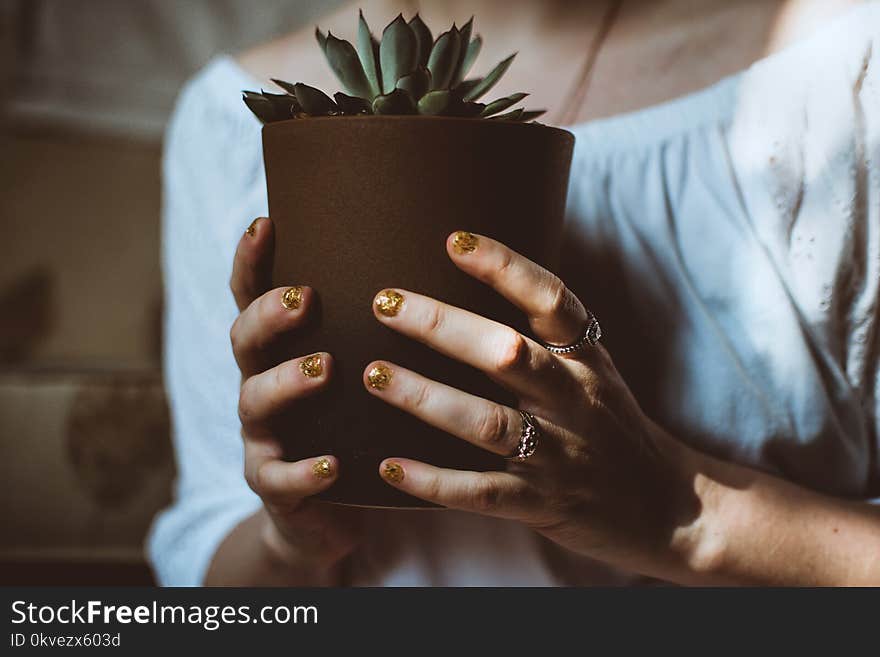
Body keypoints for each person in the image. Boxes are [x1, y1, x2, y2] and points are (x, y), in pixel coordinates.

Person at [149, 0, 880, 586]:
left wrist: (682, 515)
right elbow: (213, 550)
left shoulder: (848, 71)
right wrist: (295, 544)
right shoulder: (226, 129)